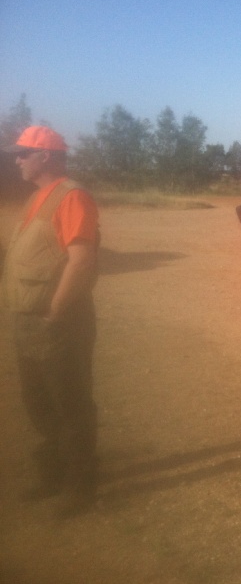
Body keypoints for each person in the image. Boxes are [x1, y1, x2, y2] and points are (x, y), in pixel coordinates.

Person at [2, 126, 100, 518]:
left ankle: (80, 486)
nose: (17, 160)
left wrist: (55, 313)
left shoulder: (72, 196)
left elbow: (81, 261)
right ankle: (54, 473)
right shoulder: (37, 198)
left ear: (46, 156)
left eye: (24, 153)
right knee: (38, 402)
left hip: (58, 323)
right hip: (30, 320)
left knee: (70, 405)